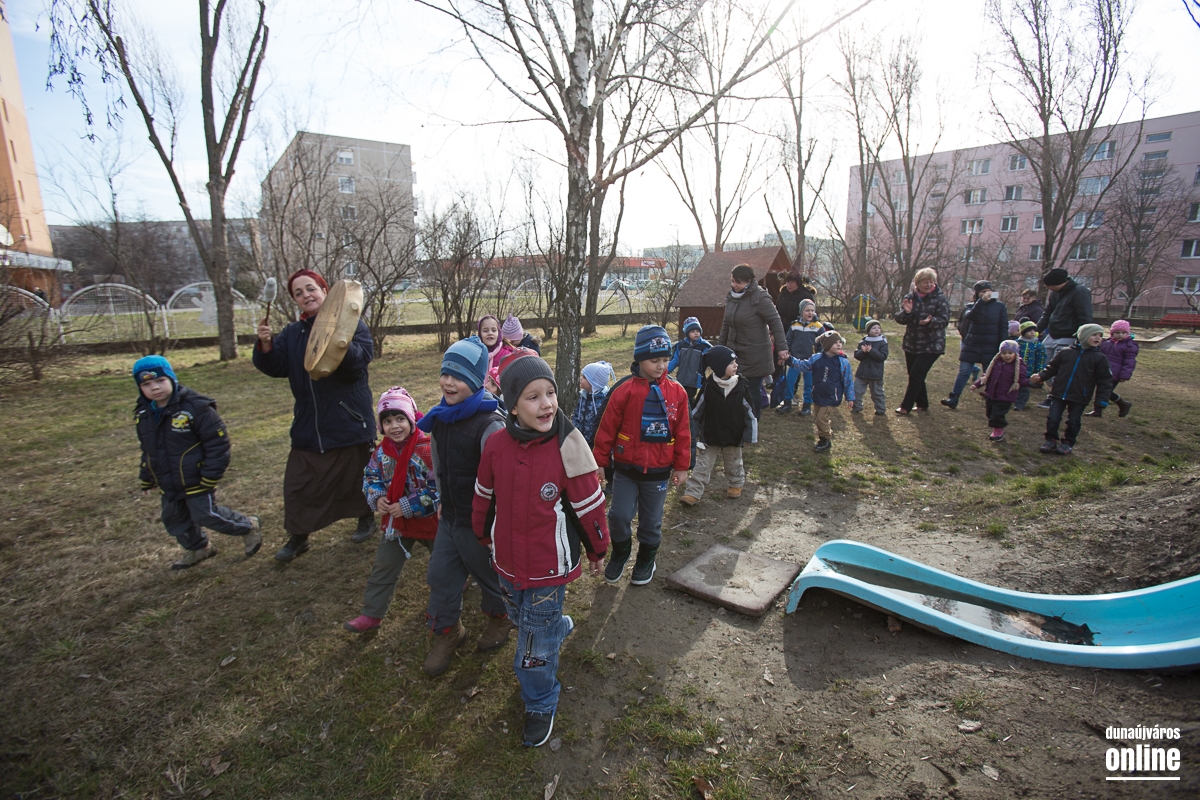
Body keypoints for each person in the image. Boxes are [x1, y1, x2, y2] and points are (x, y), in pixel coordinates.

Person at [472, 350, 609, 748]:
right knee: (520, 615)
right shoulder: (497, 445)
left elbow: (589, 505)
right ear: (513, 406)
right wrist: (483, 533)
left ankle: (540, 701)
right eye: (533, 397)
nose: (547, 404)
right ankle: (555, 627)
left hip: (548, 569)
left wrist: (598, 548)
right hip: (506, 562)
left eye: (550, 393)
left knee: (531, 651)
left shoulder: (568, 445)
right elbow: (484, 494)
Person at [254, 269, 377, 561]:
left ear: (324, 290)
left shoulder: (352, 323)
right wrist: (266, 346)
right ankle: (299, 536)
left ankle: (366, 518)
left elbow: (359, 362)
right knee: (299, 483)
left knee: (355, 475)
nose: (306, 295)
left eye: (311, 288)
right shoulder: (292, 333)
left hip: (347, 417)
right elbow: (277, 367)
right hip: (310, 421)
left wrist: (337, 341)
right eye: (298, 293)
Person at [416, 337, 512, 676]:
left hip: (481, 525)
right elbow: (439, 463)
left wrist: (496, 524)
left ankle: (501, 618)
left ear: (476, 380)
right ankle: (448, 632)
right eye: (445, 373)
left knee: (490, 577)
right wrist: (442, 499)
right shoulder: (440, 416)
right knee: (439, 575)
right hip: (451, 517)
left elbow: (503, 482)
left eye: (457, 376)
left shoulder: (490, 425)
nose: (447, 382)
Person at [134, 355, 261, 570]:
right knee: (174, 519)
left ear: (172, 379)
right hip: (168, 481)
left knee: (205, 515)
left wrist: (210, 475)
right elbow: (148, 449)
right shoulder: (144, 414)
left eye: (160, 381)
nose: (154, 388)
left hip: (196, 478)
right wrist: (147, 476)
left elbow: (218, 444)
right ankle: (199, 547)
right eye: (146, 384)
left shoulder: (196, 407)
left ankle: (248, 526)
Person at [592, 325, 691, 586]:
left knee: (651, 521)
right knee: (619, 516)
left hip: (658, 471)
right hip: (626, 469)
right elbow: (607, 429)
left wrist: (682, 465)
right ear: (640, 359)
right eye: (654, 360)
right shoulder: (624, 391)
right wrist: (600, 461)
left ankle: (647, 557)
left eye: (666, 359)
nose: (661, 366)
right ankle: (621, 552)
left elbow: (683, 432)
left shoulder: (677, 393)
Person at [344, 387, 439, 634]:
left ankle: (444, 610)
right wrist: (377, 497)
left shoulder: (428, 449)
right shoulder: (381, 452)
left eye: (400, 419)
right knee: (383, 567)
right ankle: (371, 614)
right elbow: (370, 477)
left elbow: (439, 489)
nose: (394, 426)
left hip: (432, 522)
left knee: (443, 568)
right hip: (396, 525)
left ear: (411, 419)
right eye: (387, 421)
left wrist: (408, 505)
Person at [680, 346, 755, 505]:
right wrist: (694, 432)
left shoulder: (741, 385)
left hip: (733, 435)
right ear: (720, 367)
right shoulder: (709, 386)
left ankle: (735, 484)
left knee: (734, 462)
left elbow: (749, 412)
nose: (736, 365)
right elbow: (696, 412)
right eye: (731, 363)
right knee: (702, 465)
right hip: (710, 435)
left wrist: (750, 434)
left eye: (735, 362)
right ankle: (693, 492)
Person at [1030, 323, 1113, 456]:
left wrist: (1101, 401)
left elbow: (1105, 381)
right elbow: (1052, 368)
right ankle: (1050, 439)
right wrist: (1041, 376)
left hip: (1080, 396)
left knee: (1073, 421)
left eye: (1100, 336)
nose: (1098, 338)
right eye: (1094, 335)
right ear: (1083, 336)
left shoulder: (1100, 358)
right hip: (1059, 393)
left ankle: (1068, 442)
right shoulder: (1065, 352)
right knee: (1053, 418)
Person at [718, 264, 788, 419]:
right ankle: (737, 419)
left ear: (749, 281)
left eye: (738, 282)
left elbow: (775, 321)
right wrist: (719, 348)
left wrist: (782, 347)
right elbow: (726, 324)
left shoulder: (760, 297)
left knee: (752, 389)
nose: (734, 285)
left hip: (755, 354)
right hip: (734, 352)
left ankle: (752, 422)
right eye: (732, 281)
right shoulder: (731, 297)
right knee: (734, 387)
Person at [942, 280, 1008, 410]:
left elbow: (1003, 326)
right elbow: (969, 317)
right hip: (972, 344)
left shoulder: (1000, 306)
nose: (986, 294)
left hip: (991, 345)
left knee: (990, 374)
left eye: (988, 291)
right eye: (983, 292)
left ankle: (992, 399)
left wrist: (1003, 346)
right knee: (964, 371)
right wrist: (981, 302)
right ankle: (953, 398)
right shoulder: (971, 306)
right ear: (977, 293)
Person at [893, 267, 950, 414]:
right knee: (915, 374)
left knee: (917, 374)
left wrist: (931, 321)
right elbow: (899, 319)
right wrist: (907, 313)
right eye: (925, 282)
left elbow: (944, 321)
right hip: (912, 343)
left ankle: (906, 406)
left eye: (931, 282)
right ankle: (922, 403)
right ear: (917, 283)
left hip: (932, 344)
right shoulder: (910, 297)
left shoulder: (940, 299)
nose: (928, 285)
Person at [786, 330, 854, 452]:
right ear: (827, 345)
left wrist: (850, 397)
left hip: (832, 396)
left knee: (821, 419)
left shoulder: (843, 362)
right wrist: (790, 360)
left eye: (840, 342)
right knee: (818, 418)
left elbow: (848, 380)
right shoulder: (816, 358)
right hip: (818, 394)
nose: (839, 344)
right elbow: (803, 365)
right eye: (835, 343)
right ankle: (823, 437)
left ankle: (825, 440)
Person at [1036, 268, 1093, 407]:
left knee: (1060, 369)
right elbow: (1047, 313)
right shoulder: (1055, 294)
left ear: (1057, 283)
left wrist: (1082, 338)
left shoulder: (1080, 292)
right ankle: (1054, 391)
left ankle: (1054, 397)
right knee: (1043, 363)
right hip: (1052, 335)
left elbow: (1084, 316)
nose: (1047, 288)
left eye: (1048, 285)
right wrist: (1036, 330)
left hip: (1069, 336)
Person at [970, 340, 1029, 442]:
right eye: (1004, 353)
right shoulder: (996, 363)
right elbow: (987, 375)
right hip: (992, 393)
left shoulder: (1019, 365)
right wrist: (977, 384)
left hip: (1006, 395)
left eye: (1010, 353)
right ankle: (996, 426)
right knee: (990, 413)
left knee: (997, 414)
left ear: (1016, 353)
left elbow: (1022, 379)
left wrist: (1030, 381)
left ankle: (998, 432)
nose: (1007, 356)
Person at [779, 299, 830, 415]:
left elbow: (823, 344)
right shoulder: (794, 325)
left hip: (811, 361)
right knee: (789, 381)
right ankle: (787, 402)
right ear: (801, 312)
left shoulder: (818, 327)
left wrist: (820, 357)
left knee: (809, 384)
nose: (810, 313)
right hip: (795, 360)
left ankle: (807, 405)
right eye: (807, 310)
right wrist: (786, 354)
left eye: (812, 310)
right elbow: (788, 341)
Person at [1092, 320, 1136, 417]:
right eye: (1117, 332)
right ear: (1112, 333)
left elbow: (1129, 362)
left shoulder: (1129, 346)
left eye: (1123, 333)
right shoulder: (1106, 343)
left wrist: (1124, 375)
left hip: (1115, 373)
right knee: (1102, 391)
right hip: (1102, 371)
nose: (1120, 335)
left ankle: (1101, 409)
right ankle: (1101, 409)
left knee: (1106, 391)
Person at [668, 317, 712, 408]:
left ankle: (690, 414)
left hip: (694, 380)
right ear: (687, 333)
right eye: (692, 331)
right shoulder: (681, 346)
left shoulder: (704, 347)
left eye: (697, 331)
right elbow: (675, 361)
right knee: (680, 398)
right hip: (681, 378)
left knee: (689, 399)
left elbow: (712, 360)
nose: (696, 333)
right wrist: (665, 371)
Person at [573, 361, 616, 446]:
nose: (580, 378)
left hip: (597, 444)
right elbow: (577, 416)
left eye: (584, 377)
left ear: (594, 382)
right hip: (581, 442)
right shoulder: (583, 396)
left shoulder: (604, 401)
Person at [851, 319, 888, 415]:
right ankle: (857, 407)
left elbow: (882, 357)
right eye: (874, 328)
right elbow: (857, 356)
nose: (877, 330)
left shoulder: (882, 342)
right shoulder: (864, 341)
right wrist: (863, 352)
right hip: (862, 372)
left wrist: (871, 351)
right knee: (856, 390)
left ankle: (880, 409)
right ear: (868, 330)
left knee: (877, 393)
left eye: (878, 328)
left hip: (876, 374)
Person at [1014, 321, 1046, 411]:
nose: (1032, 332)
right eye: (1029, 331)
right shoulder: (1017, 343)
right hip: (1015, 370)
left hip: (1028, 371)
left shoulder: (1038, 345)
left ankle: (1020, 404)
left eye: (1034, 331)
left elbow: (1041, 358)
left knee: (1024, 388)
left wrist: (1039, 370)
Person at [774, 271, 815, 338]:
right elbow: (777, 310)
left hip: (798, 330)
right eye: (787, 282)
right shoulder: (783, 293)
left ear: (798, 283)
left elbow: (811, 314)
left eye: (792, 283)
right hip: (782, 329)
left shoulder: (805, 295)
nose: (789, 285)